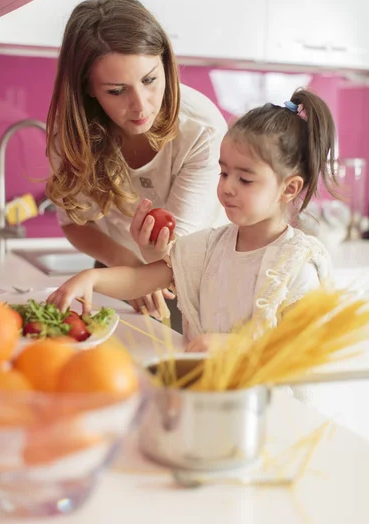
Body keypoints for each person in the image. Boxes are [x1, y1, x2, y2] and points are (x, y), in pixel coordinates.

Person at [47, 88, 337, 352]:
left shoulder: (296, 266)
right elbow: (140, 279)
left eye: (245, 179)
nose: (227, 187)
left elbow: (300, 350)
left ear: (289, 188)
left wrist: (233, 347)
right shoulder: (208, 247)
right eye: (224, 173)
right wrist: (92, 278)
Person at [45, 0, 227, 323]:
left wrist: (140, 264)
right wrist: (122, 261)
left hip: (198, 273)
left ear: (166, 65)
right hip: (116, 268)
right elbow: (73, 222)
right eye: (116, 90)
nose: (141, 105)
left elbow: (175, 254)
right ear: (88, 88)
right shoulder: (72, 136)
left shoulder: (201, 128)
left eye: (150, 80)